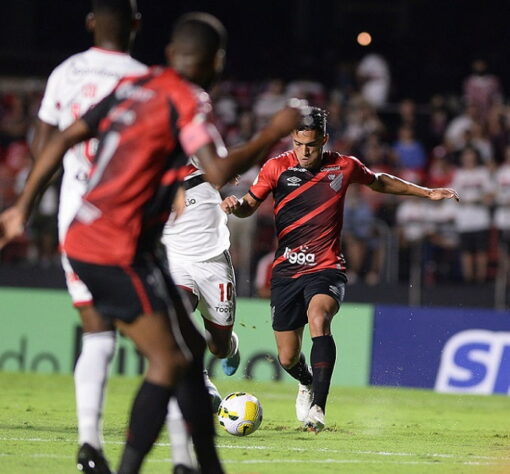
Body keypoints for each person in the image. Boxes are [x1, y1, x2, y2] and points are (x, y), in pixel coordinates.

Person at [0, 11, 301, 474]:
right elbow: (220, 172)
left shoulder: (133, 88)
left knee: (189, 352)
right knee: (169, 361)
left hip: (102, 235)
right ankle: (148, 465)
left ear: (168, 55)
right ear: (216, 62)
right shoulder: (187, 100)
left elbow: (64, 139)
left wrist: (22, 206)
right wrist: (272, 130)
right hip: (113, 246)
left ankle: (195, 464)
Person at [220, 107, 459, 432]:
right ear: (292, 139)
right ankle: (306, 382)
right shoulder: (276, 167)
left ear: (325, 140)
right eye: (299, 143)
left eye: (312, 145)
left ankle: (318, 406)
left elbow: (380, 182)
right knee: (288, 358)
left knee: (319, 319)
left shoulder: (343, 166)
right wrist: (236, 206)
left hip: (326, 266)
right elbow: (250, 204)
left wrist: (426, 192)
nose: (305, 151)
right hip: (287, 270)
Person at [29, 1, 147, 471]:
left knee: (96, 332)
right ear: (137, 25)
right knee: (165, 343)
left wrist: (26, 206)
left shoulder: (65, 73)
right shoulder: (142, 79)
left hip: (75, 220)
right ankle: (185, 454)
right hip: (126, 222)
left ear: (90, 22)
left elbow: (44, 148)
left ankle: (89, 444)